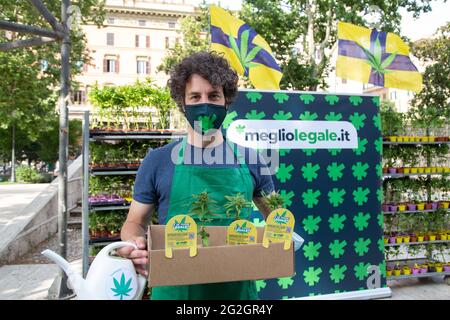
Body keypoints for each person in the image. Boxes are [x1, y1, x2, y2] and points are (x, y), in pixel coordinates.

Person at [119, 51, 275, 300]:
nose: (205, 104)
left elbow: (277, 218)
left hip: (237, 294)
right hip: (174, 292)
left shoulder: (252, 160)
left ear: (226, 101)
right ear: (183, 103)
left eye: (213, 95)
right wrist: (135, 244)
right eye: (195, 96)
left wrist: (274, 247)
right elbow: (134, 222)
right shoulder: (157, 161)